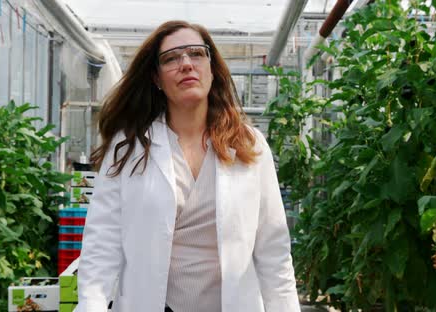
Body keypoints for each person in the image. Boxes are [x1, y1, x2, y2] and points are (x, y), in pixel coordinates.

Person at [75, 20, 300, 312]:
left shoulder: (248, 145)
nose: (186, 64)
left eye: (196, 53)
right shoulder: (128, 148)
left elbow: (274, 250)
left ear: (211, 68)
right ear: (156, 77)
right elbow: (101, 246)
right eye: (171, 58)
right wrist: (90, 305)